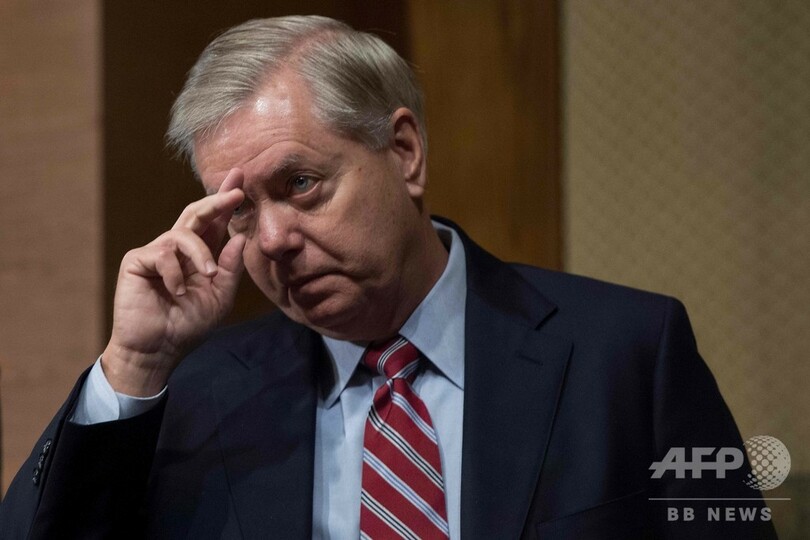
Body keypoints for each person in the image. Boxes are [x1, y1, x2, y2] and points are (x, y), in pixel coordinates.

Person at [1, 15, 776, 539]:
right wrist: (132, 366)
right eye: (239, 212)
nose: (273, 240)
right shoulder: (198, 395)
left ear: (404, 153)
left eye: (301, 184)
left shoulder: (627, 353)